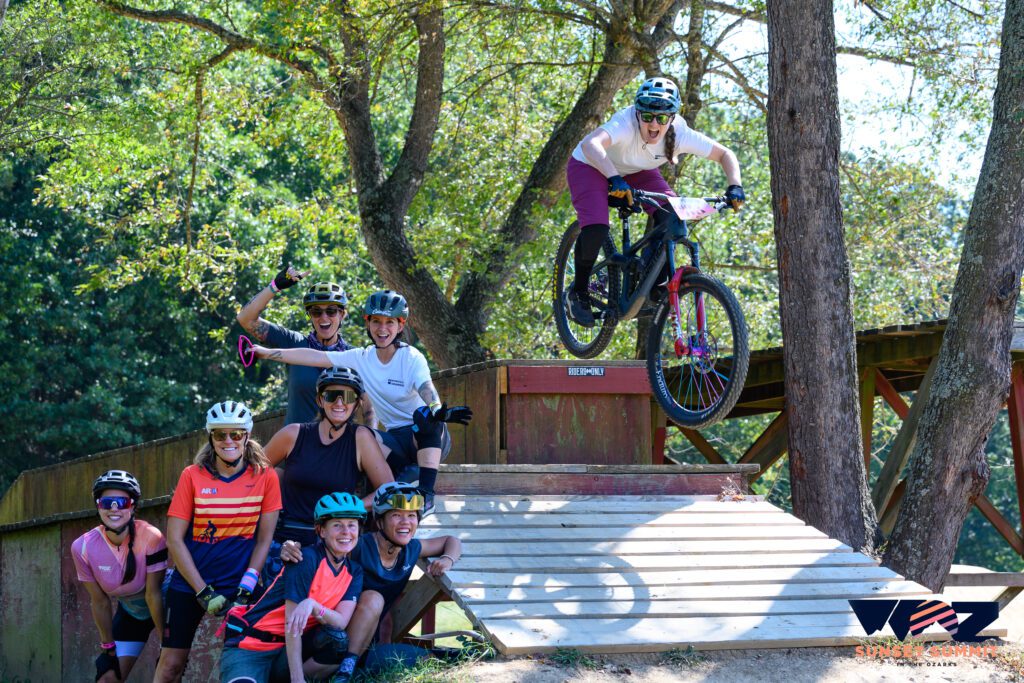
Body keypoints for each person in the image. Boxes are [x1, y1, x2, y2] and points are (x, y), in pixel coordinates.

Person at [250, 290, 473, 515]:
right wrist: (266, 353)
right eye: (376, 321)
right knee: (358, 434)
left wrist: (436, 408)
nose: (382, 329)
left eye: (389, 322)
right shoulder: (360, 358)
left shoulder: (411, 357)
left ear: (400, 326)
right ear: (367, 322)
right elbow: (313, 356)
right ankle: (367, 498)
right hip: (395, 440)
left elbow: (426, 387)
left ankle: (426, 495)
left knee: (424, 416)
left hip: (425, 438)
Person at [566, 75, 745, 326]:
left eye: (661, 118)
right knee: (597, 228)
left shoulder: (680, 133)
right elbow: (591, 144)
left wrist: (735, 185)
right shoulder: (625, 122)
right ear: (637, 113)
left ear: (671, 118)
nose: (653, 124)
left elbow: (725, 154)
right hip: (591, 166)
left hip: (637, 171)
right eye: (647, 116)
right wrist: (615, 179)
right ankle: (579, 292)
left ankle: (652, 279)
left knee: (673, 217)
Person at [281, 482, 462, 682]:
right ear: (379, 521)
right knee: (374, 598)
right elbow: (323, 549)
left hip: (368, 644)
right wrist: (289, 547)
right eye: (396, 515)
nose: (405, 522)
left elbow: (451, 541)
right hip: (330, 639)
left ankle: (350, 668)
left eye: (411, 516)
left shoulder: (411, 549)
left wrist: (447, 559)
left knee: (432, 658)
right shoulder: (357, 545)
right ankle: (345, 671)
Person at [155, 401, 282, 683]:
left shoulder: (266, 477)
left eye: (236, 434)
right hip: (191, 583)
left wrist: (249, 581)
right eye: (220, 434)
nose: (228, 440)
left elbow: (264, 539)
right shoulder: (192, 476)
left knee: (245, 661)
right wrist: (202, 591)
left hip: (240, 584)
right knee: (171, 665)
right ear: (211, 438)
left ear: (246, 436)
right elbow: (175, 539)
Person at [219, 492, 366, 683]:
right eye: (337, 525)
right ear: (321, 531)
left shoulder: (354, 572)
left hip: (287, 652)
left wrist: (313, 605)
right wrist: (297, 679)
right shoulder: (305, 559)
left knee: (336, 641)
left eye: (351, 525)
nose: (346, 532)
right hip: (251, 646)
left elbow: (340, 622)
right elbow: (292, 624)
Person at [264, 366, 394, 547]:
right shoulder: (293, 434)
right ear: (320, 399)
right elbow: (252, 473)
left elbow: (388, 489)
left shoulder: (361, 438)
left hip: (335, 540)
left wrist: (351, 507)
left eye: (348, 397)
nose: (339, 403)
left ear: (356, 404)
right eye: (332, 395)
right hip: (287, 536)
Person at [71, 470, 167, 683]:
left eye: (121, 502)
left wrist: (165, 644)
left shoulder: (152, 537)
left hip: (164, 603)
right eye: (107, 502)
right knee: (107, 678)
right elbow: (100, 602)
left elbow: (154, 594)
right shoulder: (82, 547)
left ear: (133, 506)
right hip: (132, 612)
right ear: (98, 505)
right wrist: (108, 648)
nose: (114, 508)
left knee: (169, 671)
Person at [237, 265, 353, 424]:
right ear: (310, 316)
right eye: (316, 312)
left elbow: (370, 406)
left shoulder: (354, 356)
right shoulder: (294, 342)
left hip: (339, 446)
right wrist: (275, 286)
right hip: (297, 444)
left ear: (342, 314)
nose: (324, 317)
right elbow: (245, 319)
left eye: (331, 311)